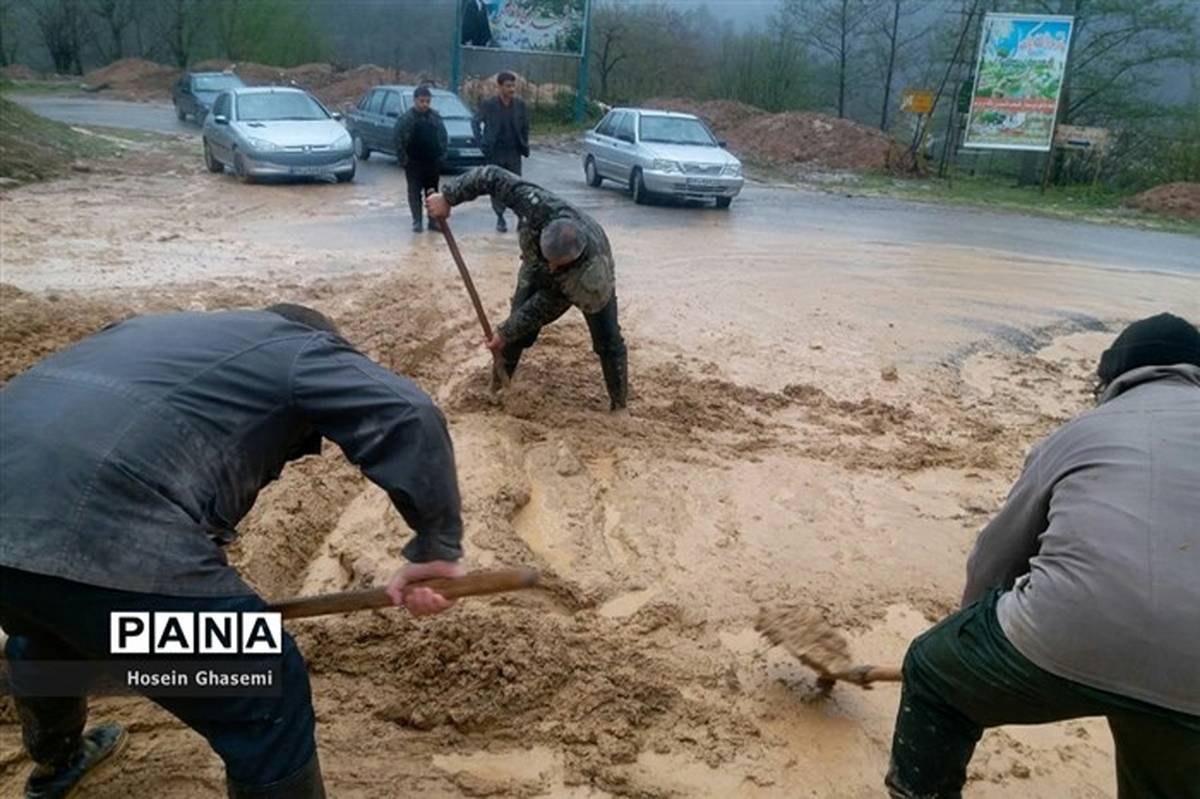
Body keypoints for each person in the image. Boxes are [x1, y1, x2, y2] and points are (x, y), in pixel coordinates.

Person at [0, 304, 467, 799]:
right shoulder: (298, 347)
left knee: (46, 622)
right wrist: (435, 547)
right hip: (103, 527)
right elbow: (408, 412)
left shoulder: (156, 330)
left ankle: (59, 764)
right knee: (265, 683)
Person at [885, 312, 1200, 799]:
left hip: (1072, 630)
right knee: (1158, 736)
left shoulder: (1083, 431)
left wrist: (966, 637)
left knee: (931, 672)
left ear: (1111, 379)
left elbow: (994, 559)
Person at [425, 166, 628, 411]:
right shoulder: (537, 207)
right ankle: (498, 387)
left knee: (608, 340)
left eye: (557, 265)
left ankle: (619, 405)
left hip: (582, 277)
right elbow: (491, 176)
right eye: (550, 261)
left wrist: (506, 330)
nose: (553, 268)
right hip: (535, 263)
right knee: (514, 335)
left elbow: (545, 306)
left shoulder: (590, 277)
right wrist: (448, 197)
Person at [471, 71, 529, 232]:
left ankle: (520, 216)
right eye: (508, 86)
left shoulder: (520, 105)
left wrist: (524, 143)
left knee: (517, 185)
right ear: (500, 87)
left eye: (513, 86)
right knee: (497, 185)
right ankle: (500, 217)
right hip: (495, 152)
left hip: (514, 152)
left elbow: (525, 127)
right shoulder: (489, 105)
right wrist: (481, 142)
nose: (511, 89)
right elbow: (475, 122)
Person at [395, 85, 448, 233]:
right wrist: (404, 160)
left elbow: (443, 137)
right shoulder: (406, 119)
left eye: (427, 101)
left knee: (432, 193)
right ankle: (417, 221)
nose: (424, 104)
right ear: (415, 101)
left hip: (432, 162)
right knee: (414, 193)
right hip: (413, 163)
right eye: (421, 101)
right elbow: (398, 140)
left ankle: (432, 221)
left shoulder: (435, 117)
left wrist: (442, 157)